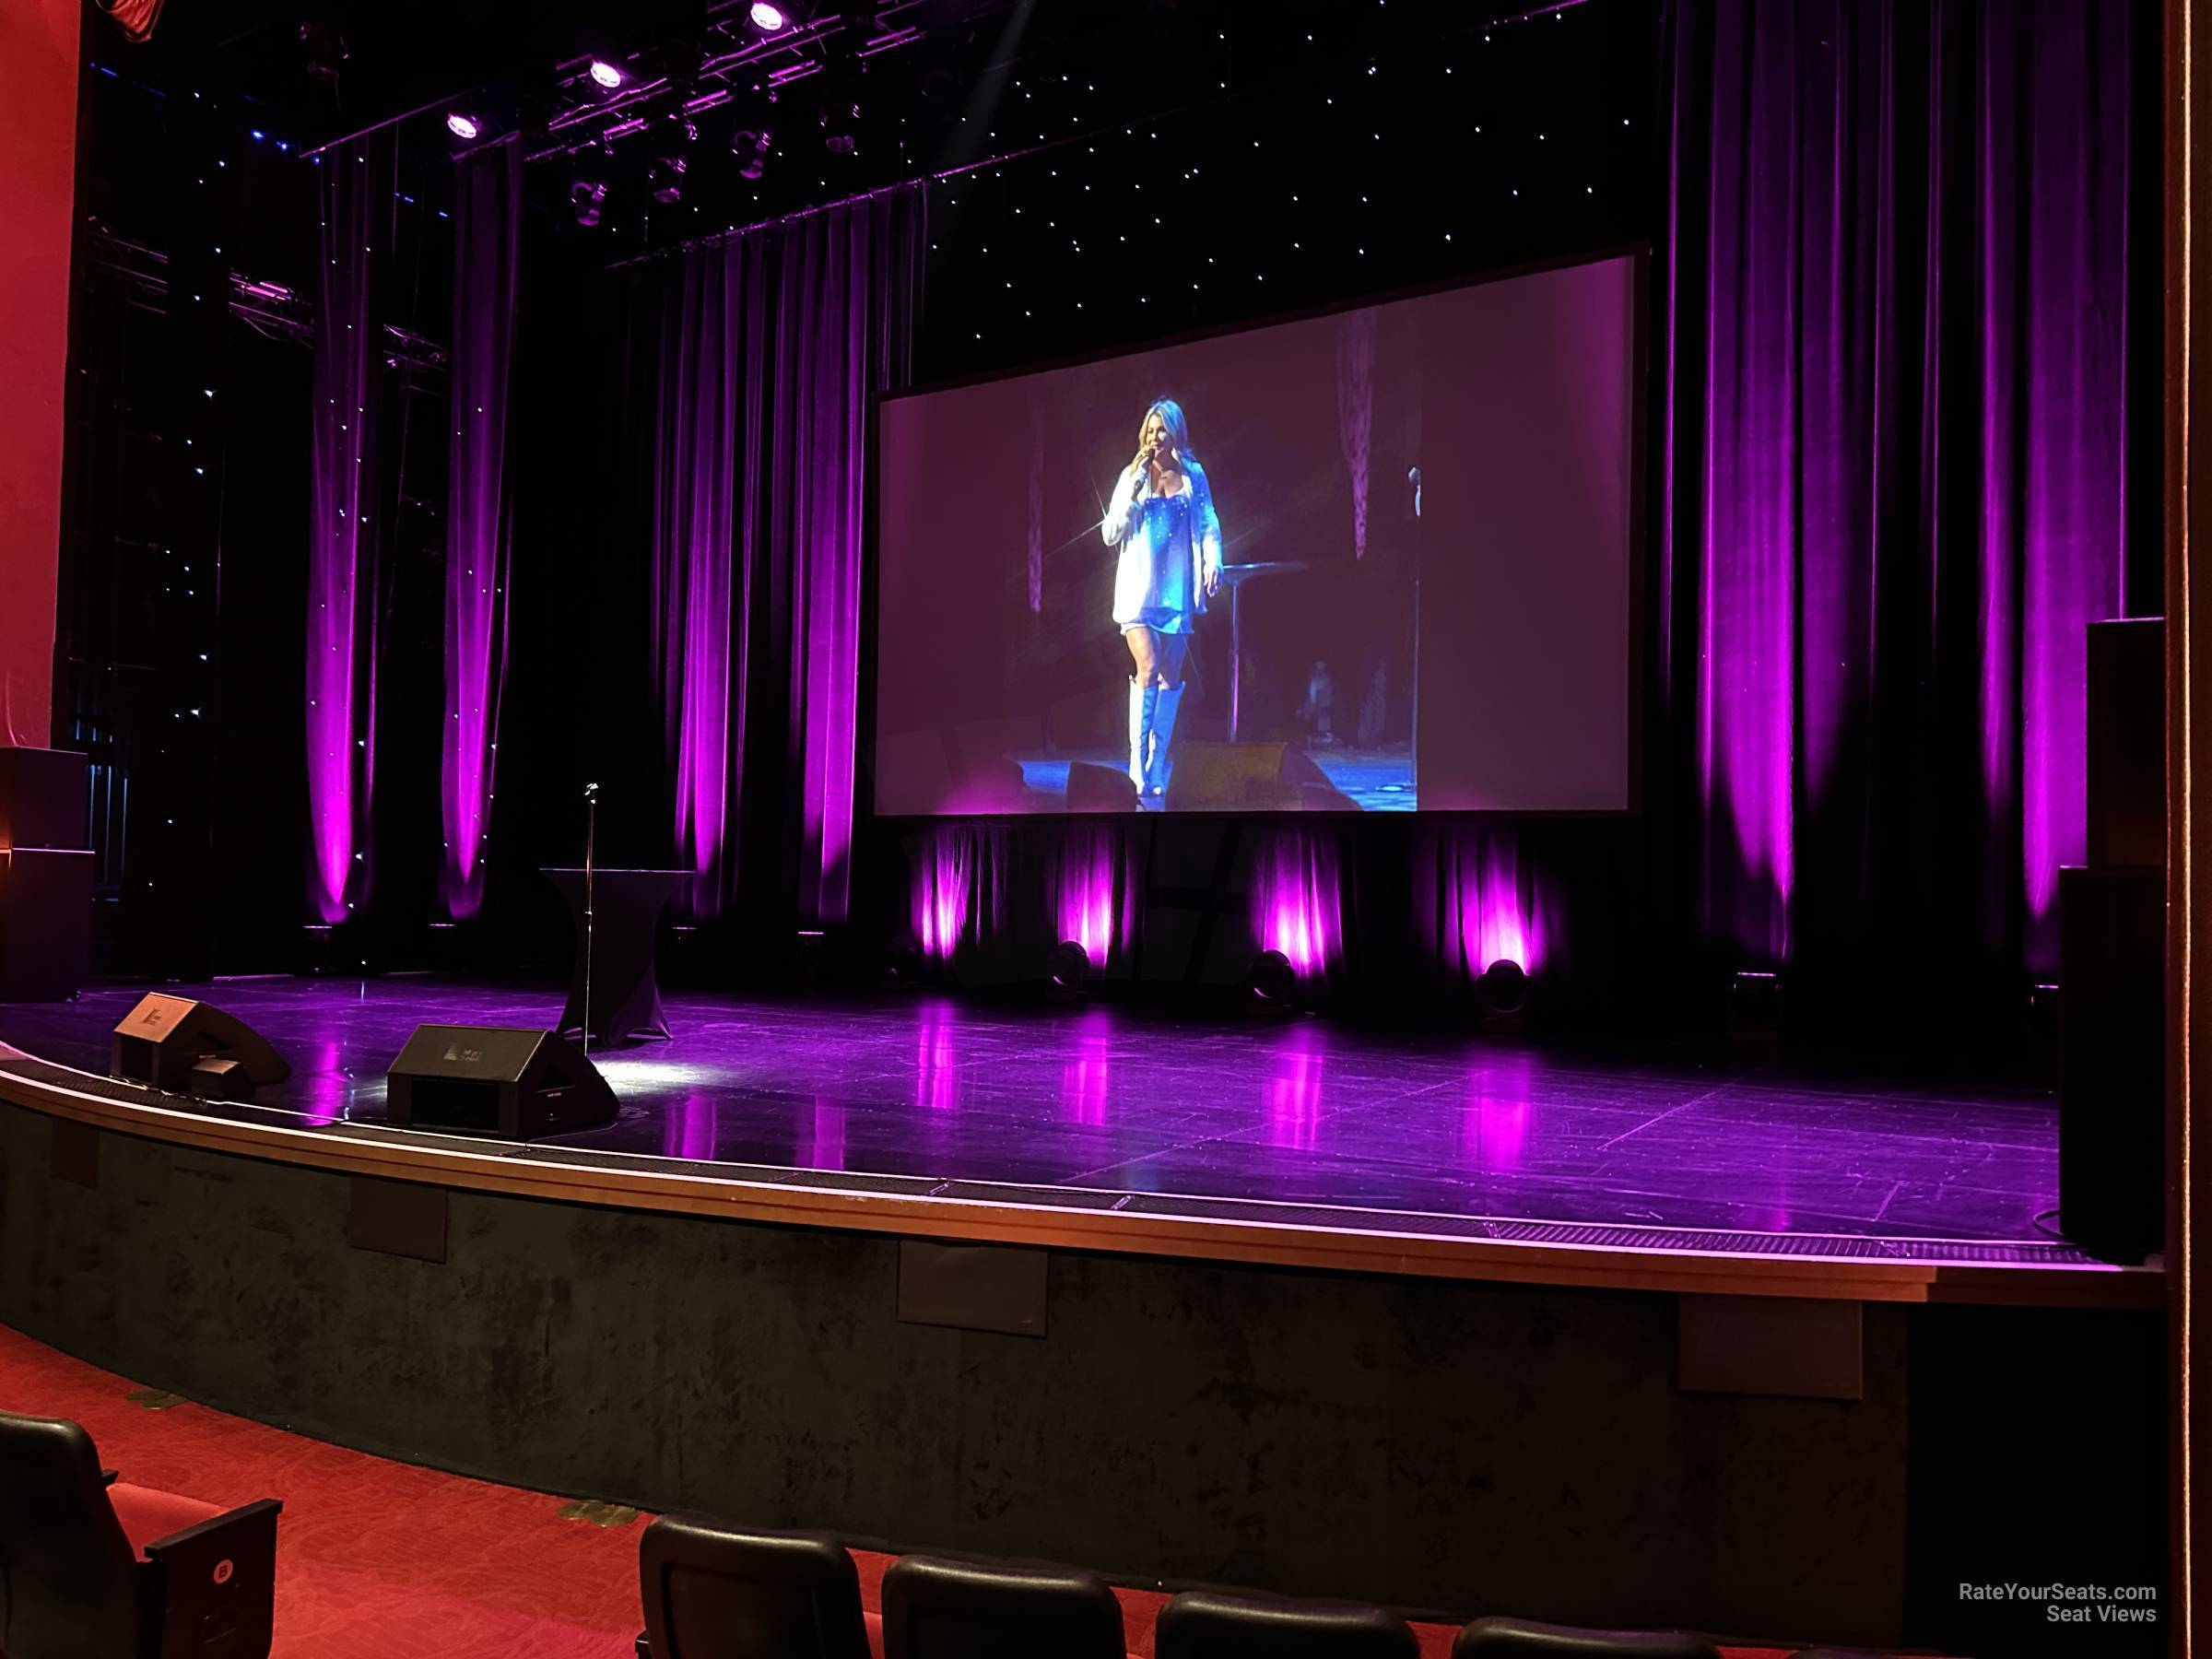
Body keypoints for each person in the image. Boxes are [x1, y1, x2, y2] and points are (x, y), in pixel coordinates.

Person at [1101, 399, 1222, 798]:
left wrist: (1212, 561)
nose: (1155, 437)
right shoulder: (1132, 474)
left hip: (1176, 592)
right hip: (1139, 592)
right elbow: (1110, 532)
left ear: (1176, 433)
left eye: (1162, 430)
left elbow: (1208, 522)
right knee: (1148, 666)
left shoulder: (1193, 475)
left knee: (1171, 677)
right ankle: (1136, 763)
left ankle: (1156, 765)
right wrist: (1134, 494)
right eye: (1150, 430)